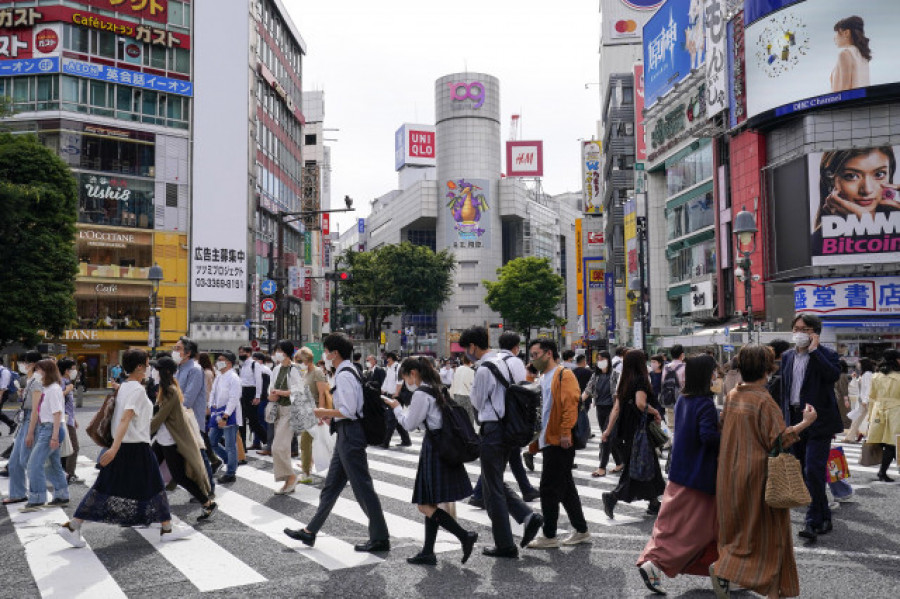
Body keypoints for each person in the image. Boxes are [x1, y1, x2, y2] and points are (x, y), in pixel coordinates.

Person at [58, 349, 193, 547]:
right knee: (153, 485)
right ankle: (166, 528)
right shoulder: (136, 390)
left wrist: (115, 447)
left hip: (128, 445)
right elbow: (125, 417)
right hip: (135, 446)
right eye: (147, 364)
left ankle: (73, 526)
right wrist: (113, 448)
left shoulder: (126, 387)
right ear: (139, 367)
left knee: (108, 486)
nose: (149, 368)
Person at [712, 345, 817, 599]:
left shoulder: (734, 395)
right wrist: (805, 423)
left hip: (730, 473)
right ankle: (762, 584)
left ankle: (728, 568)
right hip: (758, 476)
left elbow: (723, 427)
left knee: (739, 531)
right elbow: (778, 440)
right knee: (770, 534)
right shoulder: (763, 400)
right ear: (767, 368)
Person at [283, 333, 390, 552]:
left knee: (363, 488)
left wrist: (322, 411)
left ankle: (380, 538)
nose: (325, 354)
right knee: (331, 487)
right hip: (345, 433)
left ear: (335, 353)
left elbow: (349, 411)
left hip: (351, 434)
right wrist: (330, 414)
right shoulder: (345, 371)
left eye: (327, 350)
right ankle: (310, 532)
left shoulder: (345, 375)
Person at [637, 354, 721, 595]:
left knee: (671, 525)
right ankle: (656, 564)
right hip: (699, 474)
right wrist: (728, 435)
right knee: (696, 529)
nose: (716, 375)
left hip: (680, 472)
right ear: (707, 374)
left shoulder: (685, 398)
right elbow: (707, 436)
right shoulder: (704, 403)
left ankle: (656, 561)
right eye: (714, 371)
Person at [382, 357, 478, 565]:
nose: (406, 381)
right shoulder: (438, 388)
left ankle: (464, 535)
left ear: (413, 373)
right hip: (443, 446)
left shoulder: (421, 394)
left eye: (405, 376)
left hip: (434, 448)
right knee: (431, 502)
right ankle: (428, 551)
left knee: (424, 505)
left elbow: (408, 424)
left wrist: (397, 407)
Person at [461, 325, 543, 559]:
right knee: (491, 482)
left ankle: (505, 544)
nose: (466, 353)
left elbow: (476, 401)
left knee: (492, 488)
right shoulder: (506, 361)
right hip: (510, 429)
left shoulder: (485, 368)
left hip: (493, 430)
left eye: (466, 348)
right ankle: (528, 516)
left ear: (473, 346)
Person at [779, 313, 842, 542]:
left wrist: (815, 351)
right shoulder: (787, 357)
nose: (800, 333)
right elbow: (784, 390)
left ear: (815, 332)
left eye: (805, 329)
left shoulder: (828, 355)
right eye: (796, 328)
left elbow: (832, 375)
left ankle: (812, 521)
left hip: (819, 420)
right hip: (796, 419)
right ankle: (823, 515)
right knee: (805, 473)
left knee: (813, 470)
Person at [525, 339, 590, 550]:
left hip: (559, 440)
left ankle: (549, 534)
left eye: (536, 355)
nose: (533, 359)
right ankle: (581, 530)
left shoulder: (564, 374)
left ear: (549, 353)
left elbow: (571, 404)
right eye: (531, 356)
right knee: (565, 487)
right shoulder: (544, 376)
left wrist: (564, 433)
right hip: (547, 439)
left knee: (548, 488)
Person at [470, 331, 540, 504]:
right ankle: (481, 494)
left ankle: (523, 489)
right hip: (508, 417)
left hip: (495, 419)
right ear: (516, 347)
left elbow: (477, 400)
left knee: (503, 457)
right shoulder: (514, 362)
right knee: (498, 462)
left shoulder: (492, 361)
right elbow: (522, 388)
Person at [150, 357, 216, 520]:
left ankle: (207, 502)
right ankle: (149, 504)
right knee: (149, 468)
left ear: (164, 372)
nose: (153, 372)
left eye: (156, 369)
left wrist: (143, 430)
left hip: (172, 439)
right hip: (162, 437)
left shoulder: (171, 390)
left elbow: (160, 416)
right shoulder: (164, 388)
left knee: (179, 475)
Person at [601, 349, 665, 519]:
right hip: (640, 431)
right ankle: (613, 496)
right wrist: (655, 412)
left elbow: (616, 408)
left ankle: (653, 502)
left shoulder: (625, 381)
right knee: (638, 466)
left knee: (644, 464)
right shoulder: (641, 380)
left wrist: (607, 431)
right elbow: (640, 403)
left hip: (627, 432)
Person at [812, 148, 900, 252]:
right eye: (851, 176)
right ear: (830, 181)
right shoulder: (819, 243)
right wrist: (867, 224)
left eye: (879, 174)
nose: (867, 190)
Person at [21, 360, 70, 511]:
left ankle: (37, 498)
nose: (37, 372)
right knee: (52, 465)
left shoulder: (54, 389)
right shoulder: (46, 388)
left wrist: (54, 436)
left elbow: (57, 414)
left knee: (34, 464)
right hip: (47, 429)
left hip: (50, 429)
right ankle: (61, 495)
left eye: (39, 369)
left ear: (47, 371)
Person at [174, 337, 215, 498]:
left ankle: (208, 488)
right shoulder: (180, 369)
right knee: (193, 455)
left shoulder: (195, 370)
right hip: (180, 418)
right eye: (175, 348)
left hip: (192, 420)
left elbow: (188, 398)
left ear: (188, 352)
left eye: (178, 348)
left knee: (200, 455)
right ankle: (201, 487)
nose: (175, 351)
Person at [2, 350, 43, 506]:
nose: (22, 365)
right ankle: (18, 494)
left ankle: (38, 495)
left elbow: (36, 409)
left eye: (24, 362)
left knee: (28, 461)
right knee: (14, 462)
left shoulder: (38, 381)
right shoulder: (30, 379)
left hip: (32, 421)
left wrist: (30, 432)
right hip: (24, 419)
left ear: (32, 364)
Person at [269, 340, 305, 494]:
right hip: (278, 410)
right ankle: (288, 479)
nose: (276, 353)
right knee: (281, 448)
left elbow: (299, 391)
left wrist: (282, 393)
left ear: (286, 352)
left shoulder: (294, 369)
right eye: (276, 350)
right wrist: (271, 395)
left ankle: (290, 477)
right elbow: (270, 388)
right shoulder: (276, 369)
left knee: (278, 447)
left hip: (290, 410)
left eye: (279, 350)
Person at [295, 347, 331, 483]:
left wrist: (321, 412)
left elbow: (322, 393)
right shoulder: (305, 373)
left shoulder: (317, 372)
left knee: (315, 442)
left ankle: (307, 472)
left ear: (306, 359)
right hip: (307, 411)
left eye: (299, 360)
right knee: (309, 442)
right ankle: (307, 469)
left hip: (316, 412)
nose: (297, 363)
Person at [865, 349, 900, 482]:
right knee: (893, 443)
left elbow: (871, 397)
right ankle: (882, 472)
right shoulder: (898, 377)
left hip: (878, 411)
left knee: (889, 443)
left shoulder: (876, 376)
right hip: (896, 411)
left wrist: (869, 417)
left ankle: (883, 472)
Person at [208, 351, 242, 484]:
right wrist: (212, 407)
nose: (218, 362)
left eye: (221, 360)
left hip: (229, 415)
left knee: (230, 445)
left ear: (229, 362)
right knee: (211, 442)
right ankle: (229, 460)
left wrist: (226, 416)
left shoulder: (233, 378)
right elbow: (213, 393)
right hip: (217, 413)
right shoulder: (219, 376)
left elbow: (234, 398)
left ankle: (231, 472)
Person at [587, 350, 622, 478]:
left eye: (602, 359)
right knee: (608, 436)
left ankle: (602, 467)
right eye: (598, 359)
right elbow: (588, 390)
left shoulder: (616, 375)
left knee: (606, 437)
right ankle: (619, 462)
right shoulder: (595, 376)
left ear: (608, 360)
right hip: (600, 409)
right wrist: (577, 401)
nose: (599, 361)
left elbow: (620, 393)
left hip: (612, 409)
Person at [56, 358, 83, 485]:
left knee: (66, 448)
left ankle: (64, 473)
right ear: (66, 370)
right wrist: (68, 389)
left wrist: (74, 418)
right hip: (65, 420)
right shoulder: (62, 382)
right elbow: (57, 398)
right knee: (74, 447)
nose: (75, 371)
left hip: (68, 419)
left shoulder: (67, 381)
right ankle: (69, 474)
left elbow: (68, 404)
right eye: (73, 368)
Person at [830, 15, 871, 93]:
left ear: (846, 33)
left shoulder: (845, 54)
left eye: (837, 33)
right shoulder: (863, 55)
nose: (834, 38)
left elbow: (843, 91)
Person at [237, 346, 266, 450]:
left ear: (248, 353)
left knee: (253, 421)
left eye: (242, 352)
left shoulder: (255, 365)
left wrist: (257, 396)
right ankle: (242, 445)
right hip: (242, 392)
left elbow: (259, 381)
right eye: (239, 352)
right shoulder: (242, 365)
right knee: (242, 421)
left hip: (251, 392)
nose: (240, 354)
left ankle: (266, 440)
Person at [197, 352, 222, 473]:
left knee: (203, 434)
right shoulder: (211, 372)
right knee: (204, 434)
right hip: (209, 405)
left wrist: (207, 406)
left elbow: (206, 391)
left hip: (205, 406)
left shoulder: (204, 373)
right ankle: (213, 459)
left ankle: (213, 459)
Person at [381, 352, 411, 448]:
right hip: (389, 395)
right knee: (396, 419)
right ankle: (406, 440)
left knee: (391, 419)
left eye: (387, 358)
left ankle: (386, 442)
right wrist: (382, 390)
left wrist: (396, 394)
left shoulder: (398, 367)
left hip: (396, 396)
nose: (386, 360)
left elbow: (400, 381)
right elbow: (387, 380)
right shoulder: (389, 368)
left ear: (391, 358)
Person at [845, 358, 876, 443]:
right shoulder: (864, 374)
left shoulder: (867, 374)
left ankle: (851, 437)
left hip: (866, 401)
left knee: (867, 419)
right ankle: (850, 437)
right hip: (863, 400)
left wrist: (865, 400)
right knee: (858, 418)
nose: (858, 365)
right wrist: (855, 378)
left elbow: (869, 388)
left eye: (859, 363)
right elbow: (860, 386)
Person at [663, 345, 686, 430]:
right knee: (682, 424)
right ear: (682, 354)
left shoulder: (666, 367)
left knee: (671, 426)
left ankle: (672, 442)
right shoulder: (685, 367)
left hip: (669, 398)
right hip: (682, 399)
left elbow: (663, 383)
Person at [450, 353, 476, 424]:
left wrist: (451, 396)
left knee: (459, 419)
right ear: (471, 361)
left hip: (456, 396)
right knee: (469, 420)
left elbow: (453, 383)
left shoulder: (457, 369)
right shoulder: (471, 371)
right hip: (466, 397)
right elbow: (471, 386)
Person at [0, 357, 18, 434]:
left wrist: (0, 396)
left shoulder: (4, 371)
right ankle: (11, 424)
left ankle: (11, 424)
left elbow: (4, 386)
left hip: (2, 393)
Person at [835, 360, 852, 429]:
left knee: (842, 414)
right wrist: (846, 400)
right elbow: (844, 389)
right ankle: (846, 429)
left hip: (839, 398)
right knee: (846, 414)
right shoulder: (843, 376)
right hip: (842, 398)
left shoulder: (838, 375)